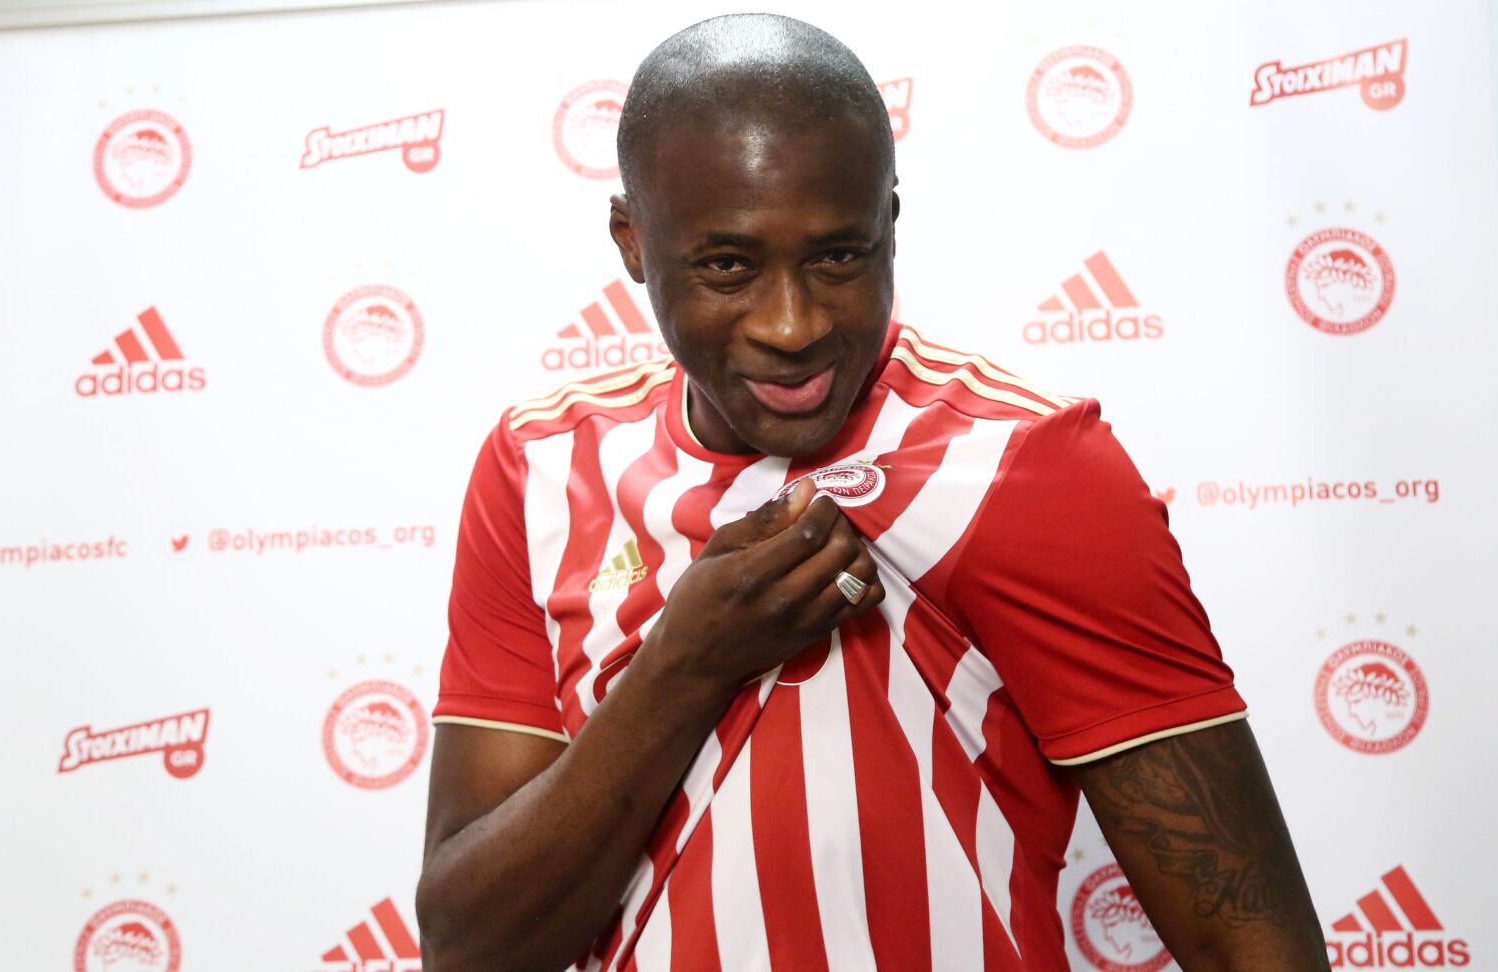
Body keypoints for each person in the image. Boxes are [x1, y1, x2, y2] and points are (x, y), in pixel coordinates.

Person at [417, 13, 1328, 971]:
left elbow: (1252, 945)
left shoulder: (1023, 462)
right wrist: (685, 664)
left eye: (838, 257)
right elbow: (472, 949)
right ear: (632, 241)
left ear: (889, 222)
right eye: (728, 265)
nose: (792, 325)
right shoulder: (541, 465)